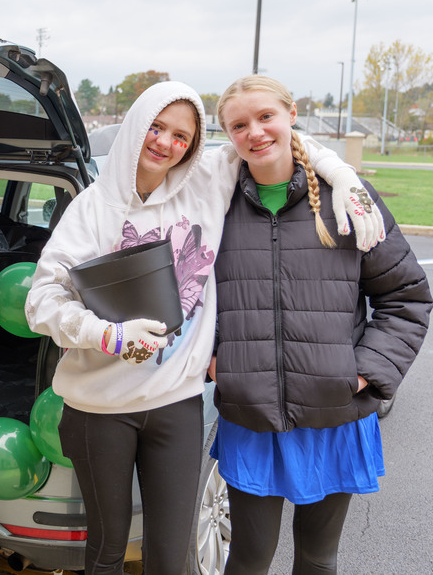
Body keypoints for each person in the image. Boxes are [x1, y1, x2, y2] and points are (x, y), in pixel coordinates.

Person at [25, 81, 384, 574]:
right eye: (156, 127)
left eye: (181, 135)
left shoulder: (206, 182)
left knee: (170, 558)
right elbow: (41, 301)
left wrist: (341, 175)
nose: (166, 143)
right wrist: (107, 334)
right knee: (107, 552)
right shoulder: (91, 208)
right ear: (136, 127)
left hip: (177, 404)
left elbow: (273, 138)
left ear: (193, 145)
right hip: (99, 407)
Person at [207, 75, 432, 574]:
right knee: (246, 560)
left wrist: (364, 372)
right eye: (239, 124)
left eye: (265, 116)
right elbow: (186, 295)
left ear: (291, 114)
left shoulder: (348, 199)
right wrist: (211, 360)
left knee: (316, 559)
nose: (256, 132)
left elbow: (406, 296)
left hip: (336, 414)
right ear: (229, 136)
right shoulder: (214, 206)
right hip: (251, 418)